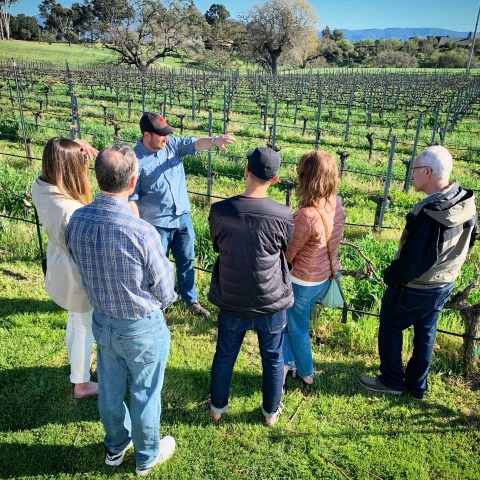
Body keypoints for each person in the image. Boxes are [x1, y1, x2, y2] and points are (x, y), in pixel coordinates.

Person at [65, 143, 177, 477]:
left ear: (96, 176)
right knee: (144, 393)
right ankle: (146, 456)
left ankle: (115, 446)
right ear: (132, 183)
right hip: (141, 326)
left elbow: (76, 260)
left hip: (103, 321)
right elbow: (167, 291)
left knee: (111, 390)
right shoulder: (142, 231)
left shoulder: (77, 220)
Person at [359, 145, 477, 400]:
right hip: (444, 282)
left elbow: (412, 263)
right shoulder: (464, 200)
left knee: (390, 324)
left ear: (427, 172)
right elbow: (472, 238)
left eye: (413, 170)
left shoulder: (432, 215)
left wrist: (391, 276)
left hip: (417, 286)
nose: (410, 175)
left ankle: (391, 380)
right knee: (426, 331)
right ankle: (417, 386)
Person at [208, 147, 294, 426]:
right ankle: (270, 412)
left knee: (225, 353)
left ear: (246, 171)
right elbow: (284, 249)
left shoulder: (220, 211)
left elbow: (217, 246)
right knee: (272, 357)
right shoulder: (283, 214)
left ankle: (218, 407)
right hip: (270, 300)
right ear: (276, 179)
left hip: (232, 298)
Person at [129, 112, 236, 317]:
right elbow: (131, 198)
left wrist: (214, 141)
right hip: (156, 224)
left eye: (167, 133)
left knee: (187, 260)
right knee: (156, 267)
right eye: (161, 134)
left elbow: (195, 144)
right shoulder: (134, 161)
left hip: (182, 219)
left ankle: (191, 300)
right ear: (146, 135)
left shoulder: (171, 146)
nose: (166, 137)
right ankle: (158, 303)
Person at [31, 137, 99, 399]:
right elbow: (88, 251)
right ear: (71, 168)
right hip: (77, 277)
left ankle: (76, 366)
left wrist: (70, 146)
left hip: (59, 268)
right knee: (85, 326)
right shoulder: (71, 211)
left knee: (75, 320)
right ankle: (81, 383)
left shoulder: (42, 188)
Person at [283, 151, 345, 387]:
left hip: (303, 281)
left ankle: (306, 372)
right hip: (326, 275)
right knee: (293, 321)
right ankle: (289, 364)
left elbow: (289, 253)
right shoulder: (335, 203)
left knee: (296, 326)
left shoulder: (306, 215)